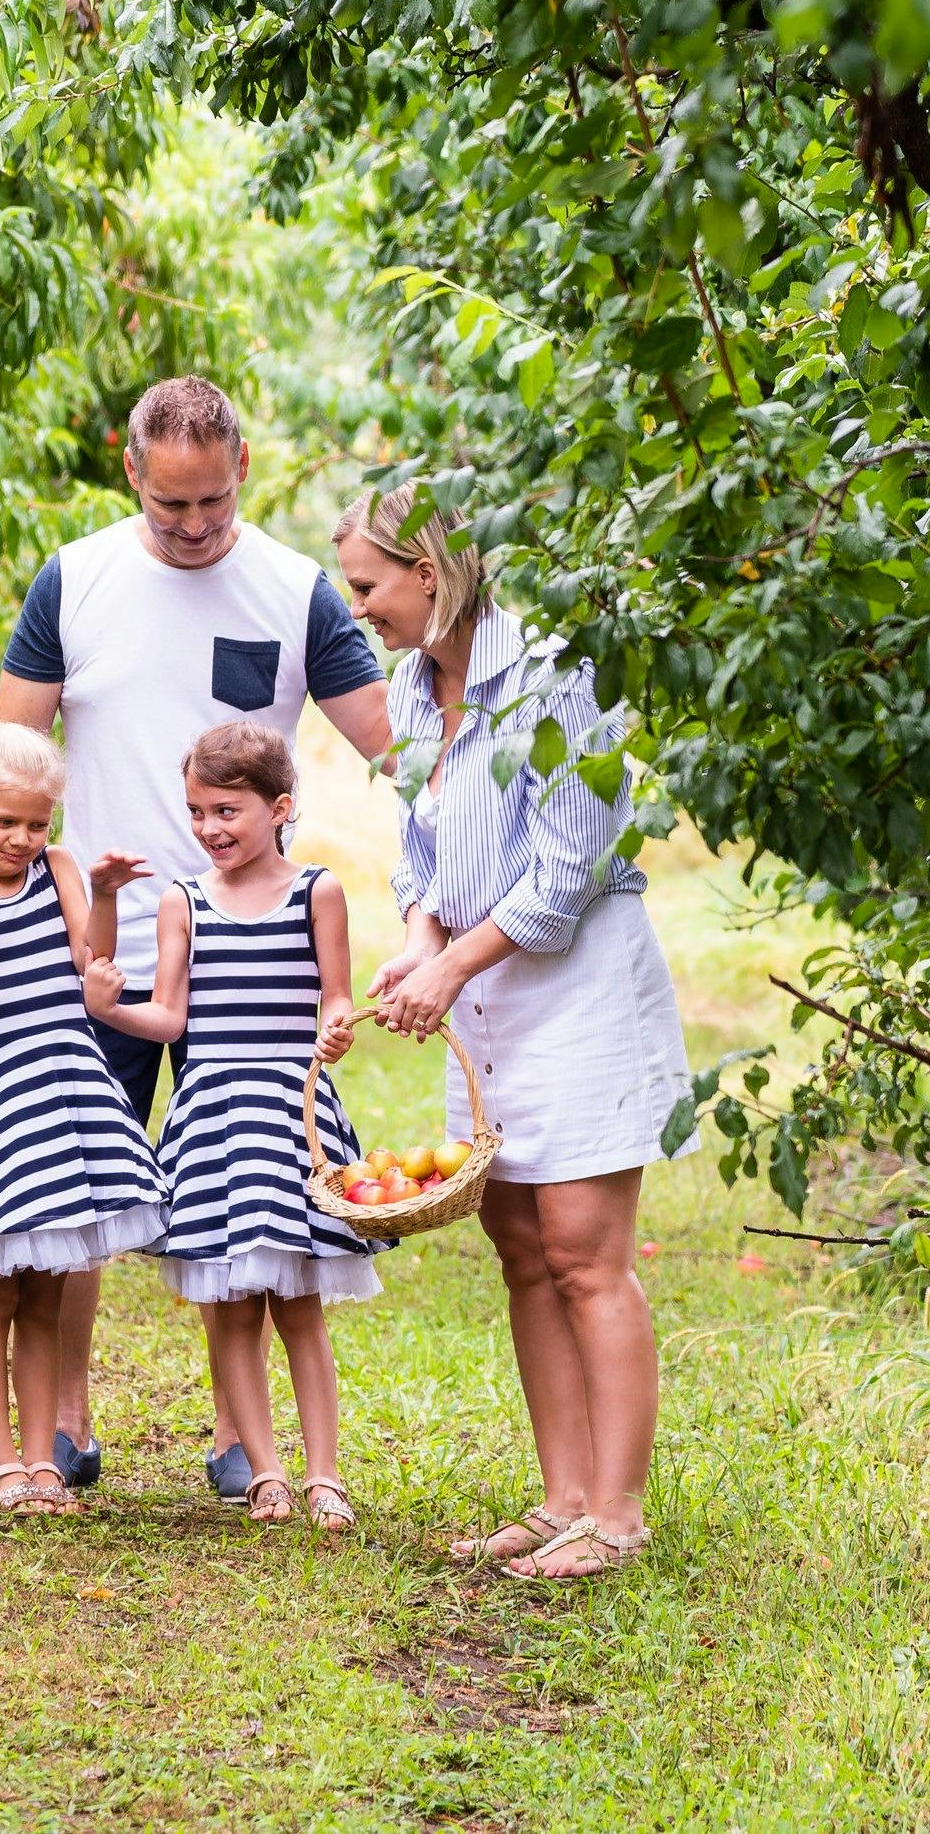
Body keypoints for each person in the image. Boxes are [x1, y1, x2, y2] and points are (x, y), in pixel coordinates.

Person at [0, 375, 391, 1498]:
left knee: (247, 1182)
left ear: (243, 470)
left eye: (211, 502)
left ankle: (241, 1439)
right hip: (105, 928)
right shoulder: (74, 579)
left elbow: (393, 742)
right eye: (171, 506)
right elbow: (7, 758)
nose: (192, 525)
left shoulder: (295, 589)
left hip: (243, 937)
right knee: (77, 1183)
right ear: (131, 474)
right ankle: (65, 1424)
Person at [332, 486, 693, 1580]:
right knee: (522, 1249)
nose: (358, 610)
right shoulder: (407, 685)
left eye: (367, 585)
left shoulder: (553, 676)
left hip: (573, 983)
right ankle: (561, 1498)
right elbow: (422, 851)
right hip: (484, 983)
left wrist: (447, 965)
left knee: (586, 1252)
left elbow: (566, 871)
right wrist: (417, 936)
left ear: (429, 575)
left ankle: (618, 1514)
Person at [87, 722, 377, 1530]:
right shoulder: (182, 901)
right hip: (214, 1119)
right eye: (196, 812)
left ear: (280, 807)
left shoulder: (317, 890)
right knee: (233, 1310)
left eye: (228, 811)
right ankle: (265, 1472)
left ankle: (326, 1475)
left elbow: (337, 995)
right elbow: (172, 1017)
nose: (210, 828)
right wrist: (115, 1009)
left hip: (293, 1117)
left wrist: (340, 1025)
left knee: (301, 1307)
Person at [0, 722, 165, 1514]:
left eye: (36, 823)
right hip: (0, 1103)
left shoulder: (57, 870)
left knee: (49, 1291)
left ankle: (46, 1461)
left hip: (67, 1089)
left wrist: (108, 897)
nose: (21, 839)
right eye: (2, 823)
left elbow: (93, 968)